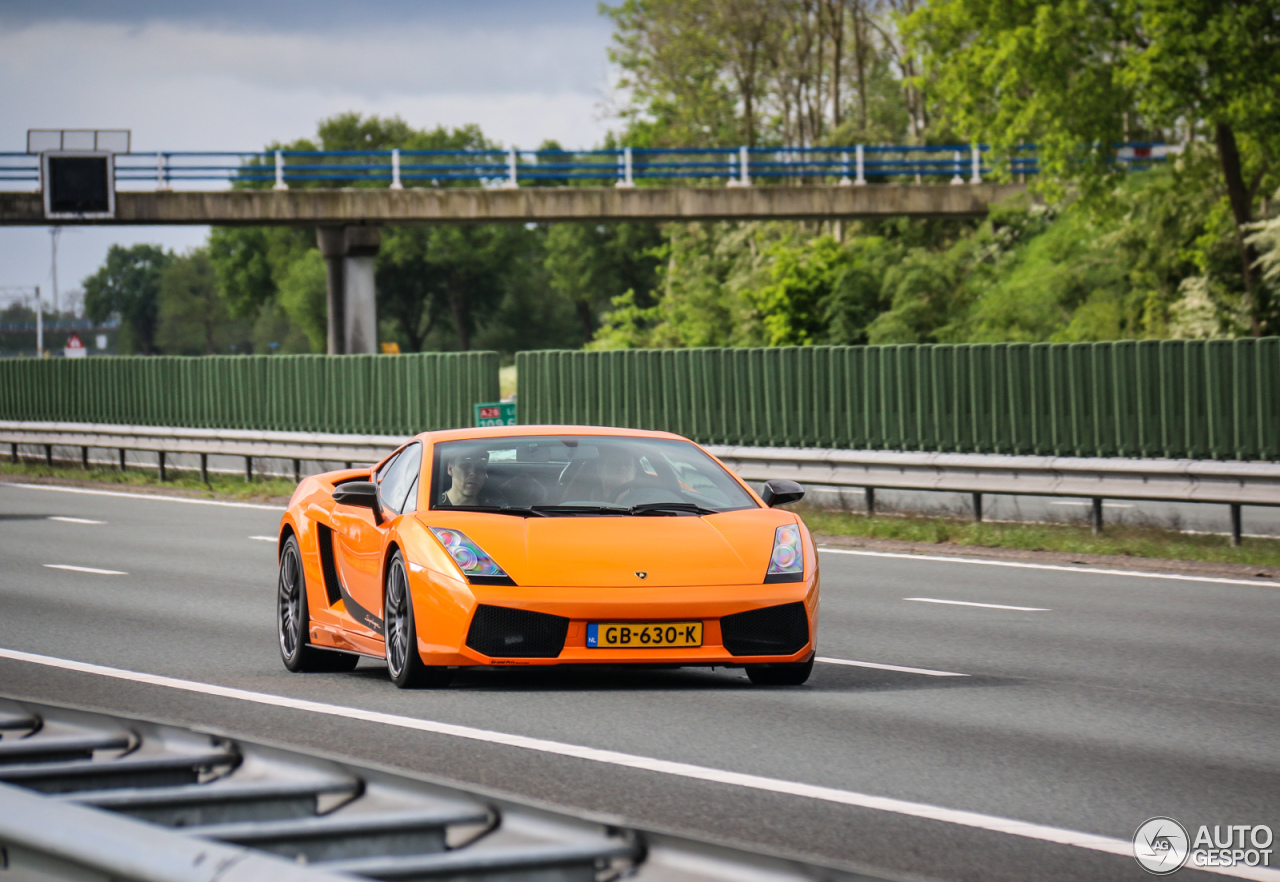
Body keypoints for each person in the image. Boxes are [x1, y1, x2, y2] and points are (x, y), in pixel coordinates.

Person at [438, 447, 505, 507]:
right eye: (465, 466)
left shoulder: (493, 508)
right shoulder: (434, 505)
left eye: (480, 468)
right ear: (450, 469)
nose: (473, 473)